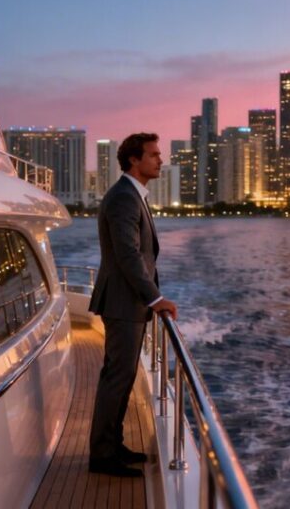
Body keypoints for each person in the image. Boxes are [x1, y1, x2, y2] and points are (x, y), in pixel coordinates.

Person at [88, 132, 178, 478]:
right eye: (153, 155)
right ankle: (102, 455)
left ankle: (114, 444)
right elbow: (128, 255)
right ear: (133, 160)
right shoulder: (124, 197)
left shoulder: (132, 195)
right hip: (124, 303)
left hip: (128, 303)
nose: (160, 160)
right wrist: (155, 299)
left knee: (123, 378)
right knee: (117, 378)